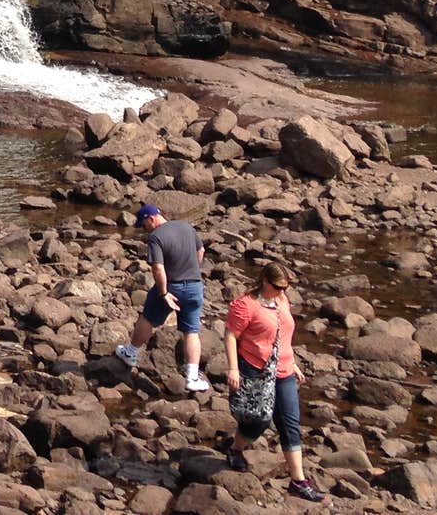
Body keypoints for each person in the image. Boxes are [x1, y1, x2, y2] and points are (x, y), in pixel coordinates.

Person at [224, 261, 325, 503]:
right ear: (265, 281)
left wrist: (293, 363)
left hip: (284, 371)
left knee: (290, 423)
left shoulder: (282, 300)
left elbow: (285, 335)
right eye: (278, 287)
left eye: (285, 288)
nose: (281, 291)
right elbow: (230, 335)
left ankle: (298, 481)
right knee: (258, 419)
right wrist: (233, 369)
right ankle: (235, 449)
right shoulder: (245, 305)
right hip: (256, 370)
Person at [114, 203, 212, 392]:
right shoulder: (186, 226)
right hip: (194, 286)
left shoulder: (156, 237)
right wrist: (192, 269)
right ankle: (192, 378)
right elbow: (200, 251)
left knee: (148, 318)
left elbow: (158, 268)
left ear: (151, 219)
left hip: (172, 286)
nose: (145, 230)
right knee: (191, 331)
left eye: (144, 226)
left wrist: (164, 292)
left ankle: (130, 353)